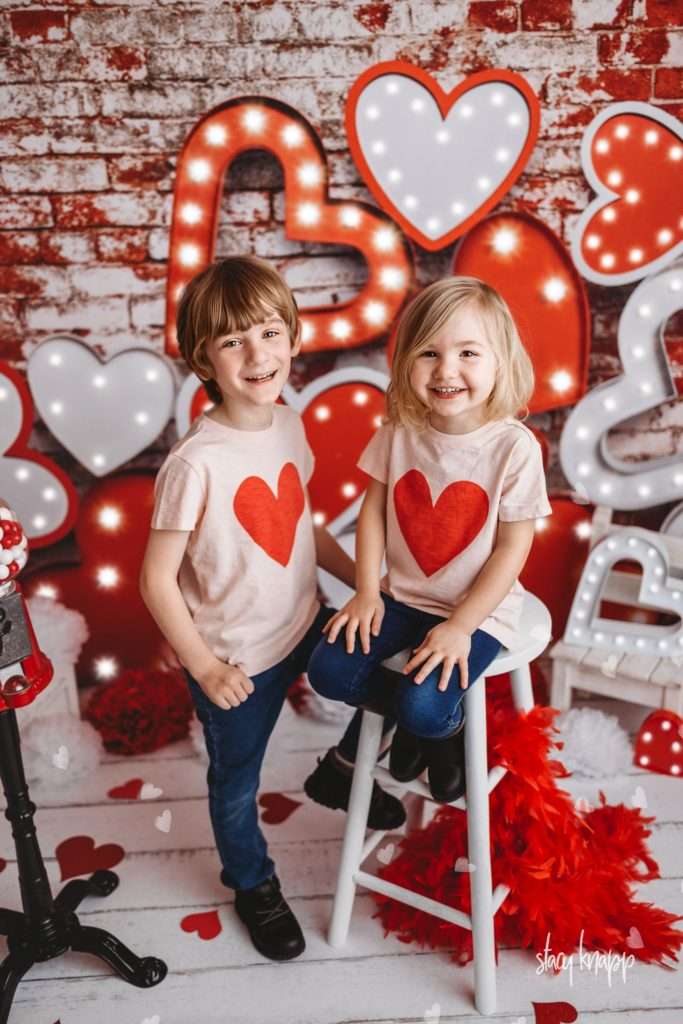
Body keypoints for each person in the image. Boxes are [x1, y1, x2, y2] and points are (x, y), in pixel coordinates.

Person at [139, 256, 402, 964]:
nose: (258, 354)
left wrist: (368, 580)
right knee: (236, 780)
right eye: (233, 342)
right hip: (234, 657)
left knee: (398, 670)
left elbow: (302, 527)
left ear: (290, 335)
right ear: (204, 359)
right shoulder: (195, 463)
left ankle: (342, 768)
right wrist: (202, 664)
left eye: (269, 332)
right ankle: (251, 881)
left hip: (302, 619)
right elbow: (156, 580)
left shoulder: (288, 421)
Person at [307, 276, 552, 804]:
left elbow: (512, 548)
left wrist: (461, 626)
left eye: (468, 352)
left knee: (425, 706)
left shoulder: (514, 447)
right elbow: (373, 512)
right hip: (404, 596)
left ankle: (438, 729)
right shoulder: (399, 430)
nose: (446, 370)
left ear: (500, 362)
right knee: (328, 668)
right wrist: (368, 591)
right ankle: (431, 728)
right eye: (428, 353)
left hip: (478, 611)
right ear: (405, 365)